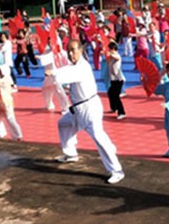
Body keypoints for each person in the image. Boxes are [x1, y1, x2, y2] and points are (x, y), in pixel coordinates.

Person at [47, 40, 125, 184]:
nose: (71, 54)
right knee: (63, 124)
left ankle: (116, 170)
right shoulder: (74, 66)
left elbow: (68, 74)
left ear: (81, 51)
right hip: (78, 109)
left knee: (99, 138)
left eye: (74, 50)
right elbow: (67, 71)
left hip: (90, 108)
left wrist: (54, 72)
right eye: (68, 51)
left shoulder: (82, 67)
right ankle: (70, 153)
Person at [106, 41, 126, 120]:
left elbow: (117, 58)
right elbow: (108, 64)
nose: (109, 50)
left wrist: (110, 54)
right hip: (113, 79)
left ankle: (122, 112)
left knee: (116, 95)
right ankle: (114, 108)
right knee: (110, 93)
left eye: (110, 49)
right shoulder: (111, 58)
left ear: (113, 49)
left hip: (118, 79)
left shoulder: (117, 56)